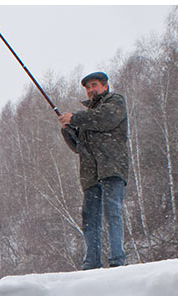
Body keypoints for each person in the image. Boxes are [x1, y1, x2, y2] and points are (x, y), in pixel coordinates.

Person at [60, 71, 129, 269]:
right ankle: (91, 263)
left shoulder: (115, 102)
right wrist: (67, 129)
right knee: (90, 219)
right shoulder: (86, 117)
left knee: (112, 212)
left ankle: (117, 260)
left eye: (94, 85)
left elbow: (105, 119)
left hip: (112, 168)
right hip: (90, 174)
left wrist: (75, 118)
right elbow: (79, 147)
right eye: (88, 87)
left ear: (105, 86)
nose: (91, 90)